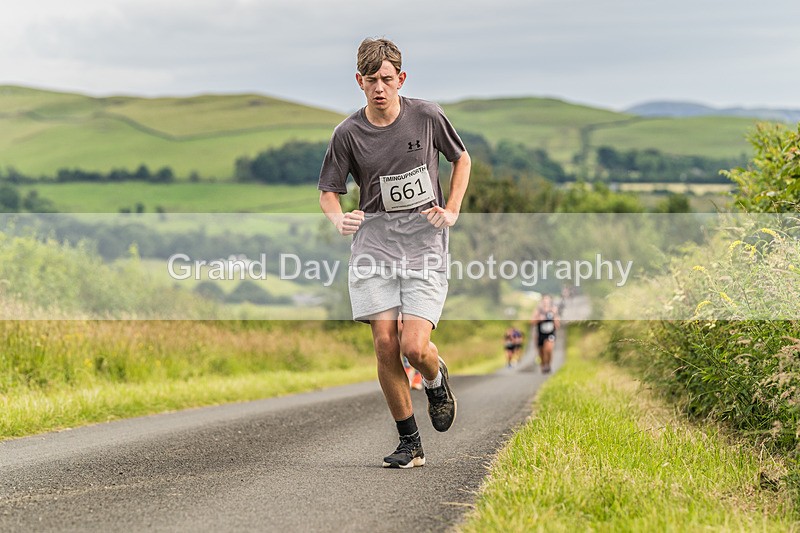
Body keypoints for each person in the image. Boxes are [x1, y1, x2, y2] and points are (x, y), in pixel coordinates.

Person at [318, 38, 471, 469]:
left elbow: (461, 159)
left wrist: (453, 208)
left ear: (401, 79)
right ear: (359, 82)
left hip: (424, 249)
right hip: (373, 249)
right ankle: (411, 444)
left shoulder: (427, 115)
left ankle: (435, 377)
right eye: (371, 81)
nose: (379, 88)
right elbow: (329, 190)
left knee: (414, 344)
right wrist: (337, 218)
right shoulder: (347, 134)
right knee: (385, 343)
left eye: (387, 79)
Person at [531, 294, 560, 373]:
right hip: (541, 333)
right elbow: (532, 322)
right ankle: (543, 365)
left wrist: (554, 316)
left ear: (550, 301)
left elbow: (557, 325)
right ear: (542, 301)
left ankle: (548, 364)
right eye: (544, 300)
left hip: (550, 333)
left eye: (547, 300)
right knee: (541, 351)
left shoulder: (553, 310)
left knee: (549, 349)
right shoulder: (538, 310)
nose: (546, 302)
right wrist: (539, 319)